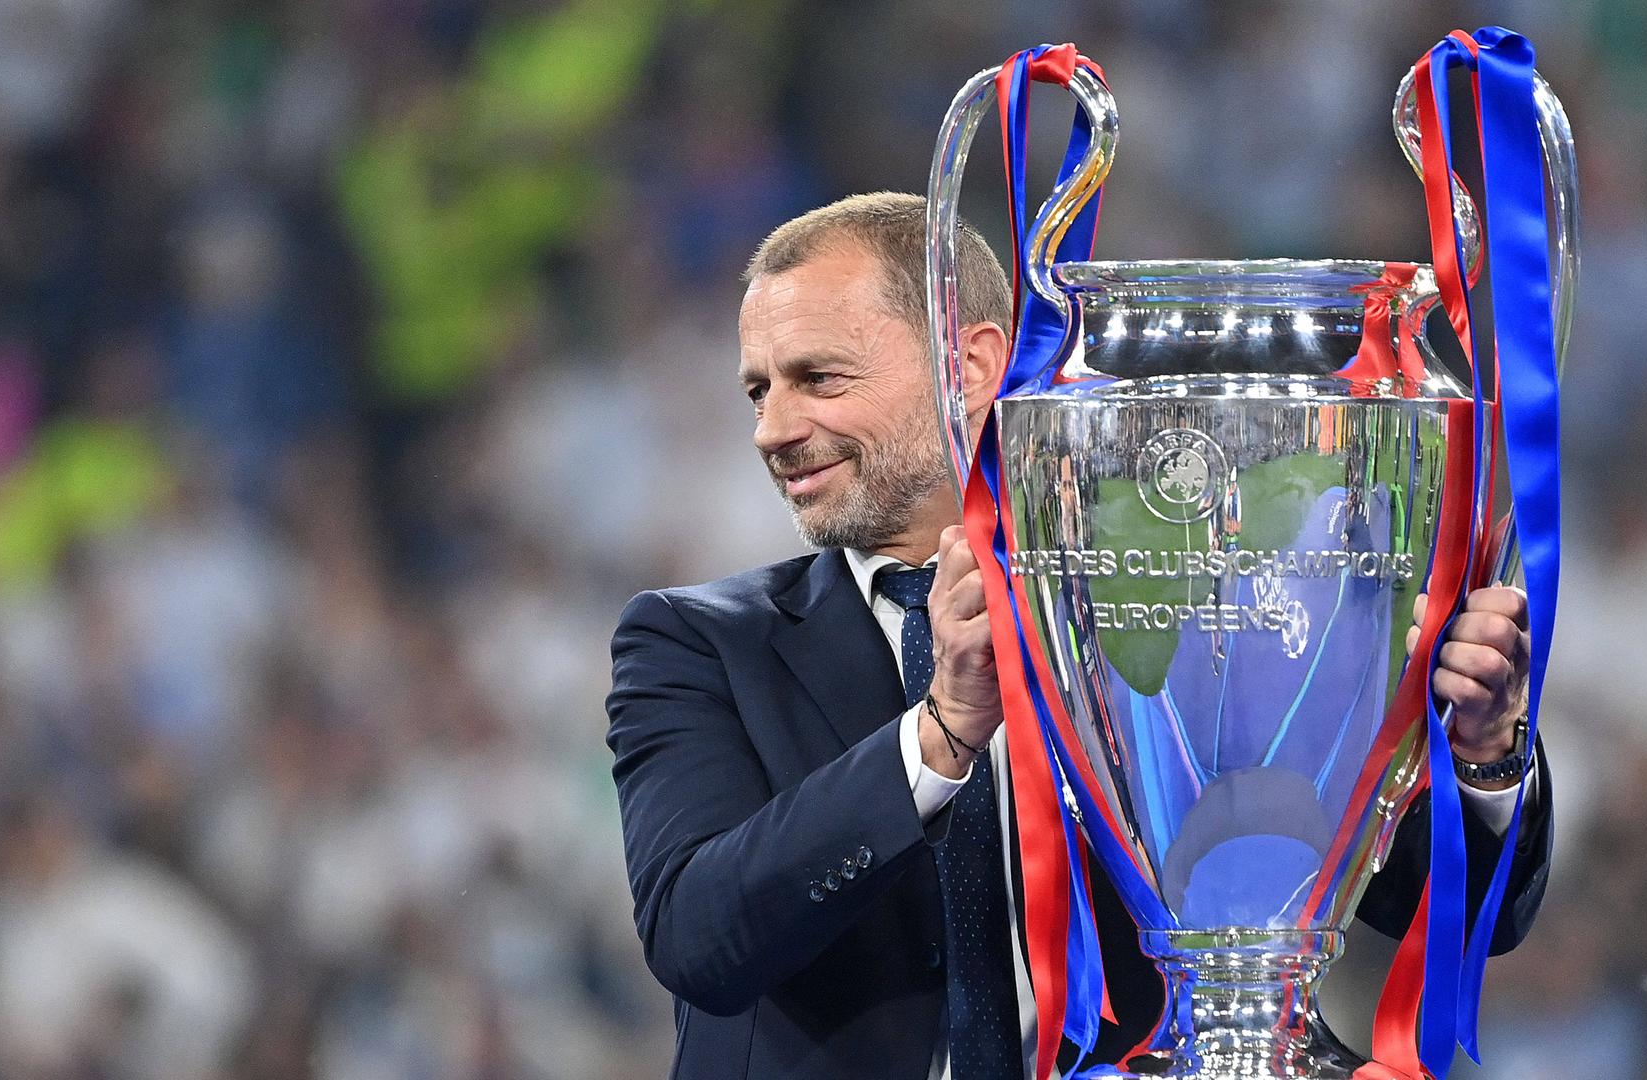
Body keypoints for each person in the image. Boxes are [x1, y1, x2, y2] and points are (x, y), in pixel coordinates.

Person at [604, 192, 1552, 1080]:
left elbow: (1440, 909)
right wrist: (938, 740)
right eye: (758, 391)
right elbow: (699, 938)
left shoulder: (1164, 597)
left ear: (967, 367)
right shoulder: (693, 644)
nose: (774, 428)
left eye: (817, 378)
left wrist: (1483, 757)